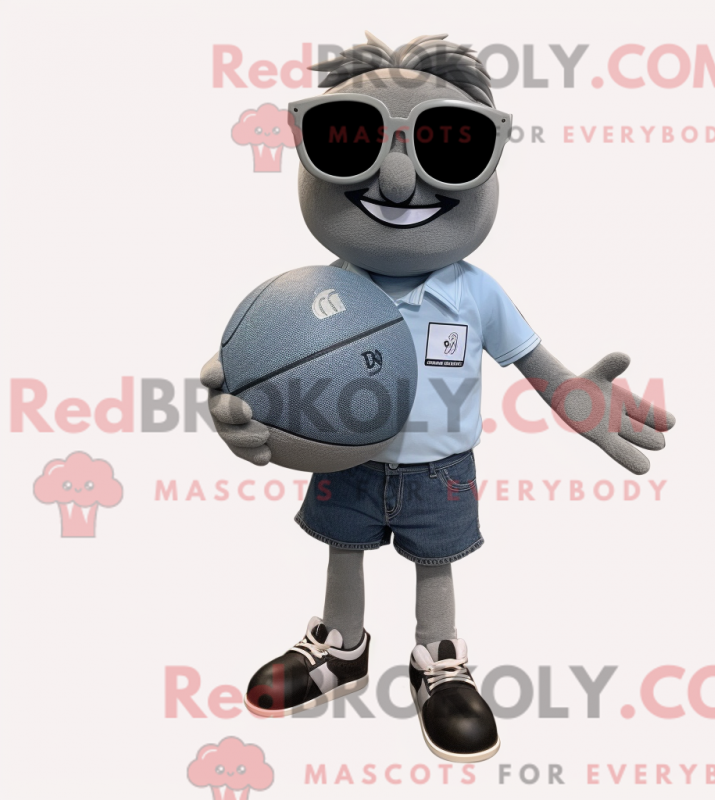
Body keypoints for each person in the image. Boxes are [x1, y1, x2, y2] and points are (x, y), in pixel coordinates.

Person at [200, 32, 675, 763]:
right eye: (350, 141)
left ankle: (439, 664)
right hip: (346, 459)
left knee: (436, 563)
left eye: (447, 147)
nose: (396, 182)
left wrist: (575, 400)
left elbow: (533, 361)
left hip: (442, 468)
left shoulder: (475, 293)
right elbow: (250, 374)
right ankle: (341, 648)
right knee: (343, 549)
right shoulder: (312, 295)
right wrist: (240, 415)